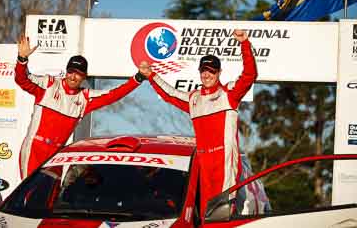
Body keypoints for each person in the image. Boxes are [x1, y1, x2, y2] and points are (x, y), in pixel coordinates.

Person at [139, 29, 257, 220]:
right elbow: (170, 94)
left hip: (224, 163)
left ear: (219, 72)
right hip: (203, 163)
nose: (207, 75)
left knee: (221, 215)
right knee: (203, 215)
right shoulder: (194, 99)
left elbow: (250, 74)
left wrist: (244, 43)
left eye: (211, 71)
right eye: (204, 71)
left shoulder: (229, 94)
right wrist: (151, 76)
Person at [15, 35, 147, 179]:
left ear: (84, 77)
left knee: (50, 198)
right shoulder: (49, 84)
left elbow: (114, 94)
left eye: (78, 74)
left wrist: (138, 78)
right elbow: (22, 79)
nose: (73, 77)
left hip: (56, 154)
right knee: (29, 196)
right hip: (35, 148)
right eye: (71, 71)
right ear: (66, 71)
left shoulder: (85, 98)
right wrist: (22, 59)